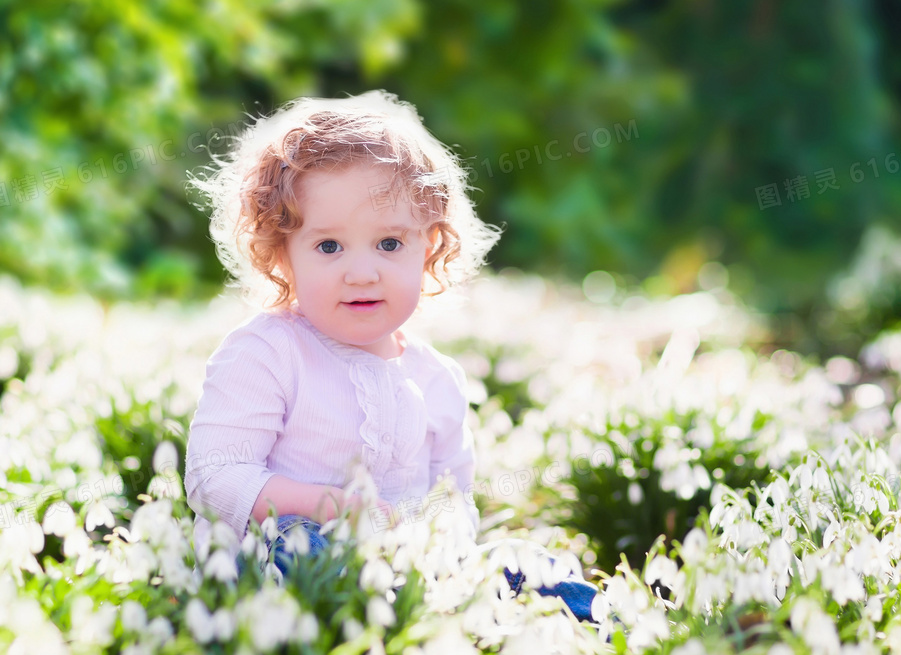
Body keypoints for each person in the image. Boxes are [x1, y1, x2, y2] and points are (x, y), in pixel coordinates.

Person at [183, 90, 599, 622]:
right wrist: (329, 507)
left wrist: (437, 542)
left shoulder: (436, 378)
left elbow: (456, 496)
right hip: (287, 564)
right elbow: (215, 477)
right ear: (281, 255)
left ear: (429, 247)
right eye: (329, 246)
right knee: (301, 550)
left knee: (533, 568)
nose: (362, 272)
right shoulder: (267, 353)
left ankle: (607, 629)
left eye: (389, 244)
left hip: (406, 570)